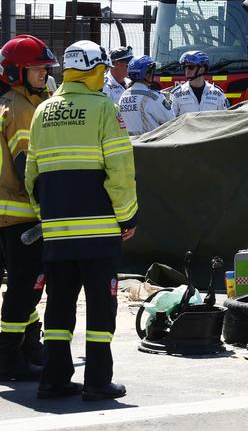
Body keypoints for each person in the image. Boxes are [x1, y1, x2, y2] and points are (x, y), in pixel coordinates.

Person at [25, 40, 138, 401]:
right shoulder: (104, 108)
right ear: (94, 70)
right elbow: (120, 170)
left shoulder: (44, 111)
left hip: (57, 234)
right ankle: (97, 382)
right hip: (100, 232)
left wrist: (48, 216)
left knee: (58, 305)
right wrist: (128, 216)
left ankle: (54, 379)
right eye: (103, 70)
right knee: (102, 307)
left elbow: (32, 175)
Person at [0, 36, 57, 381]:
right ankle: (8, 358)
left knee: (28, 285)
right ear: (16, 71)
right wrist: (52, 205)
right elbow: (27, 167)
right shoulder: (21, 109)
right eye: (37, 68)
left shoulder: (13, 101)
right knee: (26, 287)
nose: (44, 72)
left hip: (10, 215)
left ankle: (30, 347)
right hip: (22, 214)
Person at [118, 56, 175, 136]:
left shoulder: (123, 96)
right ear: (147, 73)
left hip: (129, 145)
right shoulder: (153, 96)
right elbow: (172, 120)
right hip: (149, 145)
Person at [169, 51, 230, 116]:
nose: (187, 70)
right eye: (184, 67)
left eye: (191, 67)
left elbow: (225, 118)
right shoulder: (176, 94)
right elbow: (170, 120)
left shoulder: (218, 93)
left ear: (202, 69)